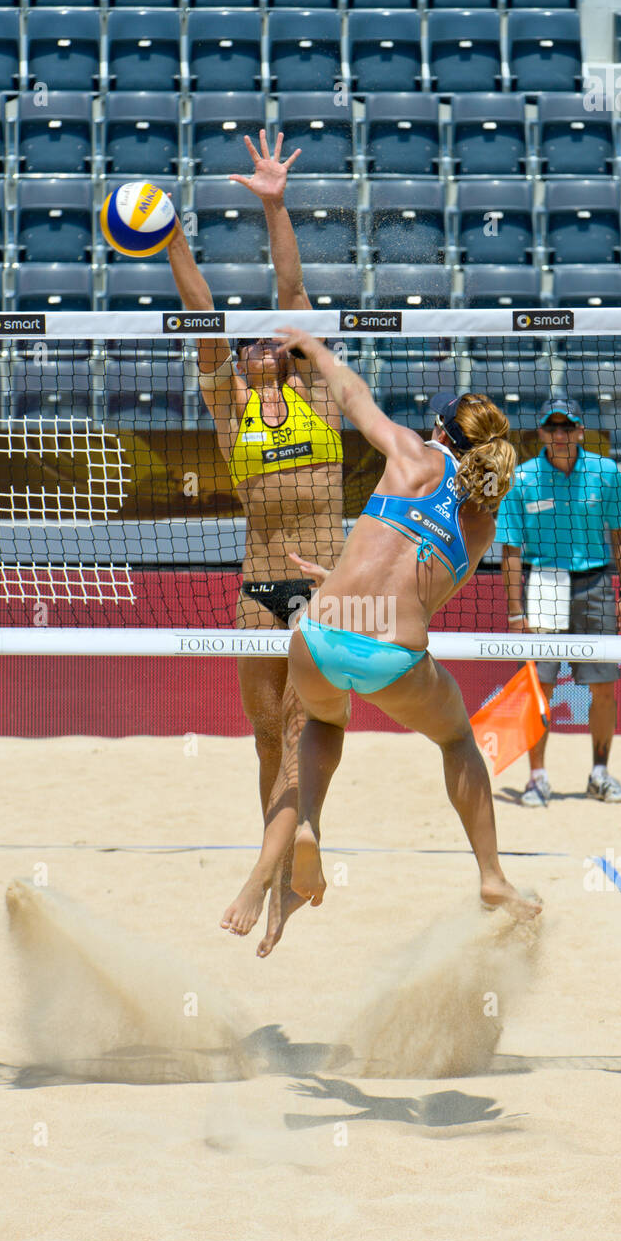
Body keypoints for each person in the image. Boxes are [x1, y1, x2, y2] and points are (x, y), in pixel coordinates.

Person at [239, 326, 543, 955]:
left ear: (443, 433)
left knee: (325, 722)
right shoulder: (480, 523)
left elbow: (352, 398)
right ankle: (490, 877)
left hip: (317, 635)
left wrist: (315, 349)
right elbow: (422, 596)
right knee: (457, 738)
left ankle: (312, 826)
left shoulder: (411, 454)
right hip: (390, 655)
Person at [165, 131, 346, 941]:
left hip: (324, 584)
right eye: (250, 340)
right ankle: (285, 866)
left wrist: (274, 204)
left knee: (305, 739)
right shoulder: (229, 407)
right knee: (266, 738)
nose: (259, 341)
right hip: (255, 590)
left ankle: (263, 881)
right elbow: (201, 311)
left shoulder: (316, 386)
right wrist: (171, 238)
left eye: (272, 335)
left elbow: (292, 282)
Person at [495, 397, 621, 806]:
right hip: (544, 585)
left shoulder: (605, 473)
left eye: (567, 427)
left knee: (605, 687)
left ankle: (599, 773)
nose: (560, 435)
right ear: (541, 433)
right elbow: (510, 550)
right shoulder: (521, 480)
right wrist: (515, 610)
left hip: (595, 582)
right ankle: (537, 778)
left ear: (579, 431)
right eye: (552, 428)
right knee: (539, 688)